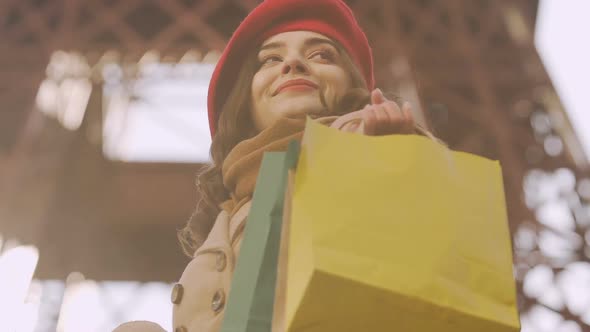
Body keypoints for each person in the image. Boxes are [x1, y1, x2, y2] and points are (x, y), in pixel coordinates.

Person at [115, 0, 430, 331]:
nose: (293, 63)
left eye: (321, 55)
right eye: (270, 59)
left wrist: (395, 163)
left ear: (351, 85)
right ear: (244, 102)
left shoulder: (374, 143)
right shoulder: (227, 214)